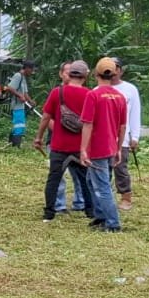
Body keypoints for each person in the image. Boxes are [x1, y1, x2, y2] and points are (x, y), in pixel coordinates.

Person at [34, 61, 95, 221]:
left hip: (59, 145)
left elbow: (46, 117)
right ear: (85, 76)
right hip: (79, 147)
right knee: (85, 180)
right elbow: (91, 123)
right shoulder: (89, 94)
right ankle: (90, 211)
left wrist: (39, 137)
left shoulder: (57, 92)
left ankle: (49, 213)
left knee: (53, 179)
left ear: (69, 74)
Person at [79, 58, 129, 232]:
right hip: (110, 146)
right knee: (91, 181)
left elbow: (88, 124)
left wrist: (83, 149)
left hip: (97, 148)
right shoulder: (120, 97)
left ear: (95, 74)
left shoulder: (93, 95)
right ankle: (100, 215)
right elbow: (123, 126)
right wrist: (118, 148)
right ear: (114, 74)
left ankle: (113, 223)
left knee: (102, 186)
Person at [108, 58, 142, 210]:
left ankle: (126, 196)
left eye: (116, 68)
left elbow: (135, 113)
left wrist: (135, 136)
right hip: (104, 135)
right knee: (103, 168)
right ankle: (106, 196)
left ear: (120, 70)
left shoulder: (130, 89)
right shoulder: (98, 90)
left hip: (123, 135)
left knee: (120, 167)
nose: (113, 72)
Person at [0, 59, 37, 147]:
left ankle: (11, 142)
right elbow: (10, 88)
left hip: (21, 105)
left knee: (18, 124)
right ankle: (16, 146)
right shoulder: (18, 76)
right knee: (19, 125)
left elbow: (25, 93)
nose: (32, 72)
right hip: (16, 105)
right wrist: (19, 95)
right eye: (32, 70)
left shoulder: (23, 78)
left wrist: (30, 101)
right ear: (27, 68)